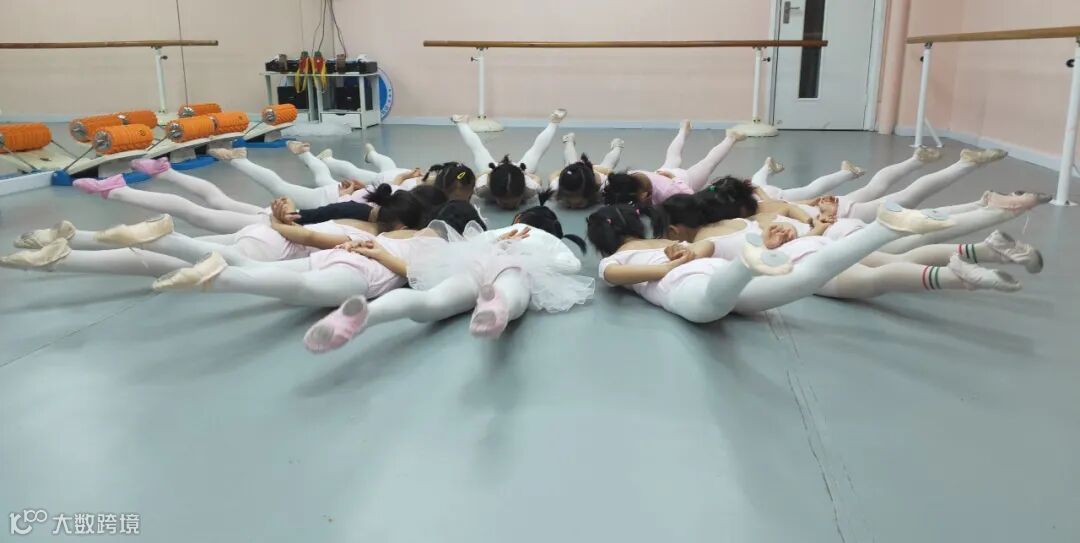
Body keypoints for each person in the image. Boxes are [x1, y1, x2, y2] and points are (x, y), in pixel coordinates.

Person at [304, 206, 594, 352]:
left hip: (474, 262)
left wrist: (500, 242)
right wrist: (540, 254)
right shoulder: (549, 240)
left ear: (518, 219)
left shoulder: (498, 232)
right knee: (512, 288)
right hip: (514, 267)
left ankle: (368, 314)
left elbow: (471, 245)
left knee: (432, 301)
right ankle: (497, 305)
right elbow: (571, 266)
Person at [600, 120, 745, 206]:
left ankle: (731, 138)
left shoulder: (668, 192)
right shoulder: (633, 176)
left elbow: (691, 197)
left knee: (708, 163)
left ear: (644, 195)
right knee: (673, 158)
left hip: (683, 179)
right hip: (662, 173)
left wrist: (676, 180)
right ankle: (683, 130)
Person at [452, 109, 566, 209]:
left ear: (522, 193)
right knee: (478, 149)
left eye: (515, 202)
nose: (509, 206)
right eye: (503, 202)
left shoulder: (529, 189)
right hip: (497, 172)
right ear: (493, 193)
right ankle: (462, 123)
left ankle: (554, 122)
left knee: (536, 152)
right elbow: (538, 179)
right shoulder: (483, 189)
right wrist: (489, 173)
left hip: (512, 172)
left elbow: (537, 180)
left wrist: (524, 174)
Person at [547, 133, 624, 208]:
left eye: (579, 204)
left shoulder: (603, 185)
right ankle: (569, 141)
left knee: (608, 164)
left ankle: (617, 147)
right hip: (579, 170)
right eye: (568, 203)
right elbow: (552, 175)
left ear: (590, 195)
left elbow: (611, 173)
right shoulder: (558, 188)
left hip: (597, 171)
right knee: (570, 162)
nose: (573, 207)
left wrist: (592, 168)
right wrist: (568, 170)